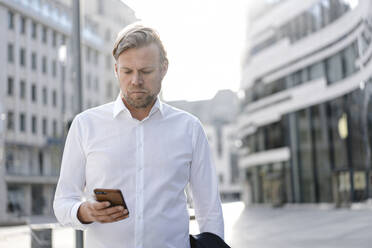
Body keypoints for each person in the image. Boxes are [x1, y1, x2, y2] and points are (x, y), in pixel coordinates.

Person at [53, 23, 224, 248]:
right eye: (127, 71)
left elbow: (209, 209)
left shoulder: (189, 128)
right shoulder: (85, 125)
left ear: (164, 68)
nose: (136, 81)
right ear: (116, 70)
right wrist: (84, 211)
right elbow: (63, 202)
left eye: (146, 71)